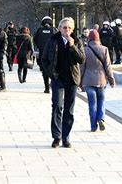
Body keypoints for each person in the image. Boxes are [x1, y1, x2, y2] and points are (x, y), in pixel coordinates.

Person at [42, 17, 85, 148]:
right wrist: (52, 75)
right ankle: (57, 137)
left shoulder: (77, 41)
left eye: (69, 28)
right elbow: (44, 59)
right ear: (59, 28)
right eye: (64, 27)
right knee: (57, 106)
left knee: (69, 109)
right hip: (58, 78)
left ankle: (66, 137)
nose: (67, 30)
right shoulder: (52, 40)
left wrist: (72, 46)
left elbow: (82, 59)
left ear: (72, 29)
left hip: (72, 79)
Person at [80, 30, 115, 132]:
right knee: (101, 100)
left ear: (89, 39)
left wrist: (80, 81)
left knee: (92, 103)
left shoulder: (85, 50)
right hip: (101, 80)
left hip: (88, 80)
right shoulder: (104, 50)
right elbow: (108, 67)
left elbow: (82, 68)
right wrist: (112, 80)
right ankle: (101, 118)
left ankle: (93, 126)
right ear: (98, 38)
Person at [34, 16, 57, 93]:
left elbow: (35, 40)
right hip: (52, 54)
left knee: (45, 71)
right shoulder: (53, 30)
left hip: (42, 53)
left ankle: (46, 87)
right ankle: (53, 85)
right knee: (54, 70)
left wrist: (40, 47)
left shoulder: (39, 30)